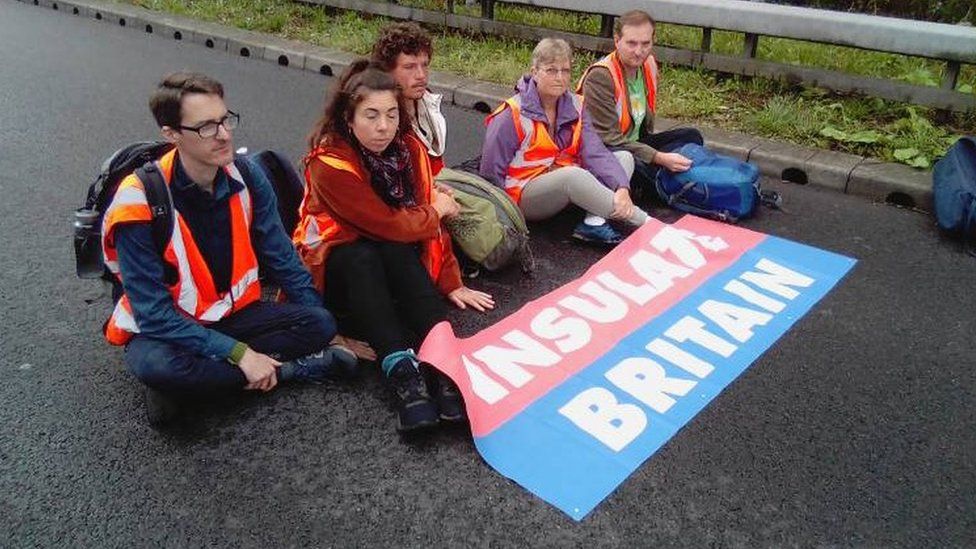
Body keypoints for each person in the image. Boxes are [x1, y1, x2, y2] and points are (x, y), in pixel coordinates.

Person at [101, 72, 357, 426]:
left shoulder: (248, 176)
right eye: (206, 127)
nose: (223, 135)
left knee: (319, 321)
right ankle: (287, 371)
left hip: (231, 316)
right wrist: (240, 354)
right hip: (168, 328)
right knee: (159, 366)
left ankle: (206, 384)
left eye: (224, 120)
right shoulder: (138, 200)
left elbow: (281, 257)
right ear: (172, 135)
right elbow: (153, 315)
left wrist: (330, 334)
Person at [295, 60, 495, 432]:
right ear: (348, 118)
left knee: (394, 249)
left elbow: (424, 226)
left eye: (390, 114)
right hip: (334, 265)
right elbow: (391, 223)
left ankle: (443, 362)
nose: (383, 126)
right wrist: (434, 211)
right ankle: (401, 369)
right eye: (370, 115)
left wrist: (451, 281)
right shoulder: (328, 163)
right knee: (364, 254)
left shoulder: (408, 149)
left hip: (390, 253)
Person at [481, 38, 651, 246]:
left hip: (561, 183)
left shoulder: (576, 104)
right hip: (524, 195)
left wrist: (622, 188)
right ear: (534, 72)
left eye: (566, 71)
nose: (560, 78)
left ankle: (594, 221)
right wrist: (502, 220)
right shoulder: (511, 114)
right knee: (573, 176)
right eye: (551, 70)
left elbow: (595, 152)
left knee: (623, 157)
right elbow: (490, 173)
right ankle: (646, 223)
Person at [577, 10, 704, 199]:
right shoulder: (601, 77)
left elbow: (643, 130)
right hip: (607, 152)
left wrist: (656, 156)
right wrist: (659, 157)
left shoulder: (648, 64)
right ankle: (657, 186)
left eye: (645, 44)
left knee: (692, 136)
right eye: (631, 43)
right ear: (616, 40)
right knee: (640, 165)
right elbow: (609, 139)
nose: (638, 51)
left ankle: (661, 182)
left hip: (635, 145)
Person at [371, 22, 446, 176]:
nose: (421, 75)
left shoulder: (429, 104)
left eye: (424, 65)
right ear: (387, 71)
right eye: (409, 67)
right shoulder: (381, 124)